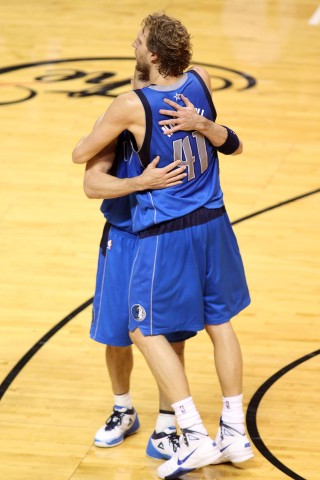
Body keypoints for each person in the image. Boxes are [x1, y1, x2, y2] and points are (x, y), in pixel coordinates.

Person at [73, 12, 254, 479]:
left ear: (152, 55)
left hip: (167, 230)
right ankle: (233, 430)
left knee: (142, 329)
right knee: (219, 321)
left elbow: (79, 156)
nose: (132, 44)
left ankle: (188, 432)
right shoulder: (201, 81)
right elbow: (229, 143)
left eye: (138, 41)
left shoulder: (130, 106)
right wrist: (203, 123)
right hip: (212, 220)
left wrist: (146, 178)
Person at [86, 68, 194, 460]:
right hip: (124, 238)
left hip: (170, 238)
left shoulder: (180, 117)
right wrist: (138, 183)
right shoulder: (116, 123)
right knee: (115, 334)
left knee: (171, 334)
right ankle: (123, 409)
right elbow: (90, 183)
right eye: (139, 83)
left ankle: (167, 426)